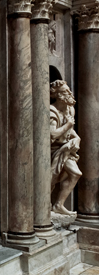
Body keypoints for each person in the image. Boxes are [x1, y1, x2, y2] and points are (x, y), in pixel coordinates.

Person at [50, 80, 81, 216]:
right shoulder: (52, 112)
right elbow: (52, 134)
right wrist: (67, 125)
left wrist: (76, 138)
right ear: (59, 95)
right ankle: (45, 206)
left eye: (69, 91)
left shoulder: (70, 109)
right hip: (52, 150)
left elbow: (70, 132)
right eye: (66, 92)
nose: (70, 94)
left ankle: (58, 205)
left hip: (65, 149)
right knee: (50, 179)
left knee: (76, 174)